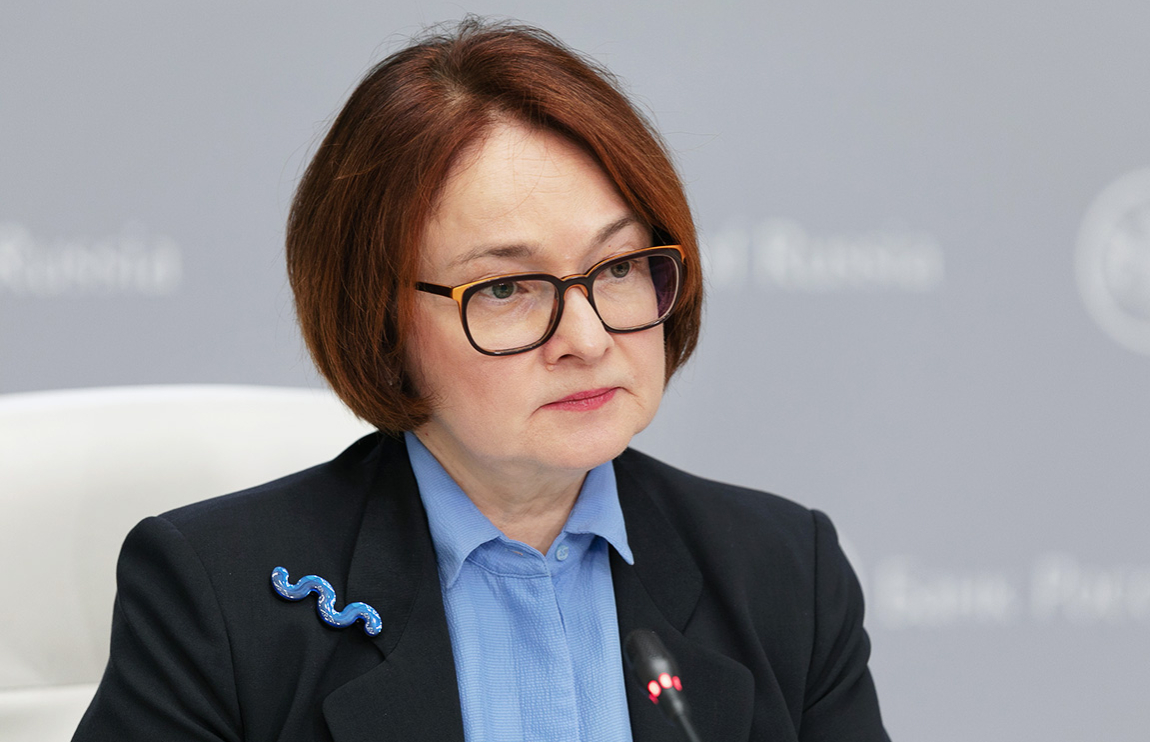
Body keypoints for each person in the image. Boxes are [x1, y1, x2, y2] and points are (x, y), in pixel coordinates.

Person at [74, 18, 889, 742]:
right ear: (380, 321)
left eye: (617, 267)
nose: (587, 339)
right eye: (504, 288)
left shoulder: (786, 573)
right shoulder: (218, 596)